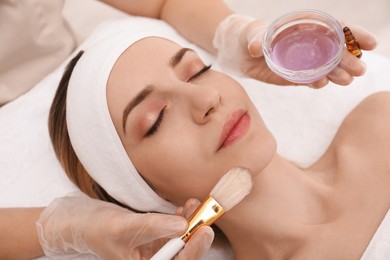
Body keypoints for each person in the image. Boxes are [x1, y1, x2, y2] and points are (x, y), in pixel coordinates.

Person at [0, 1, 377, 259]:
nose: (207, 97)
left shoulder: (379, 122)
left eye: (197, 70)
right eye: (156, 119)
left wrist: (236, 32)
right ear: (142, 195)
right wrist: (68, 228)